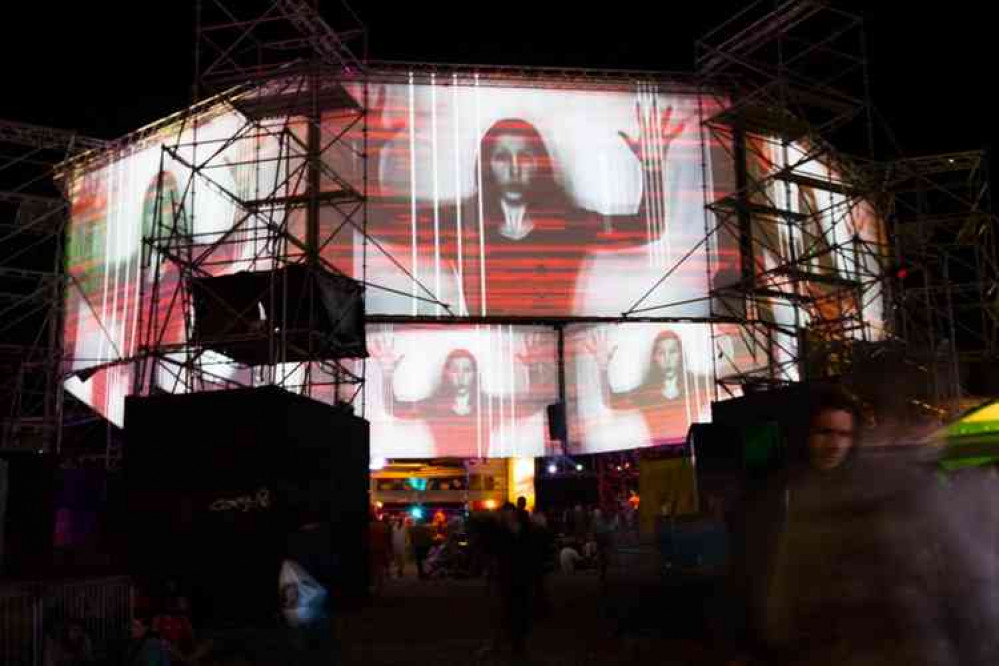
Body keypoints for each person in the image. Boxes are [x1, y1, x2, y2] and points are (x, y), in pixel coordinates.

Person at [369, 332, 553, 456]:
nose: (461, 375)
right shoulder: (434, 406)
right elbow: (394, 409)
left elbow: (530, 407)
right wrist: (387, 372)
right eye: (455, 369)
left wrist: (533, 368)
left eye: (467, 369)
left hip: (482, 467)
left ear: (474, 374)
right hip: (444, 466)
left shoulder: (488, 406)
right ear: (447, 373)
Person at [586, 327, 690, 445]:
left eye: (672, 351)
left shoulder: (696, 386)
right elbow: (611, 401)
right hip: (658, 454)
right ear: (655, 357)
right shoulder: (646, 394)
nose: (667, 359)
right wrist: (603, 367)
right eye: (661, 353)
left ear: (680, 354)